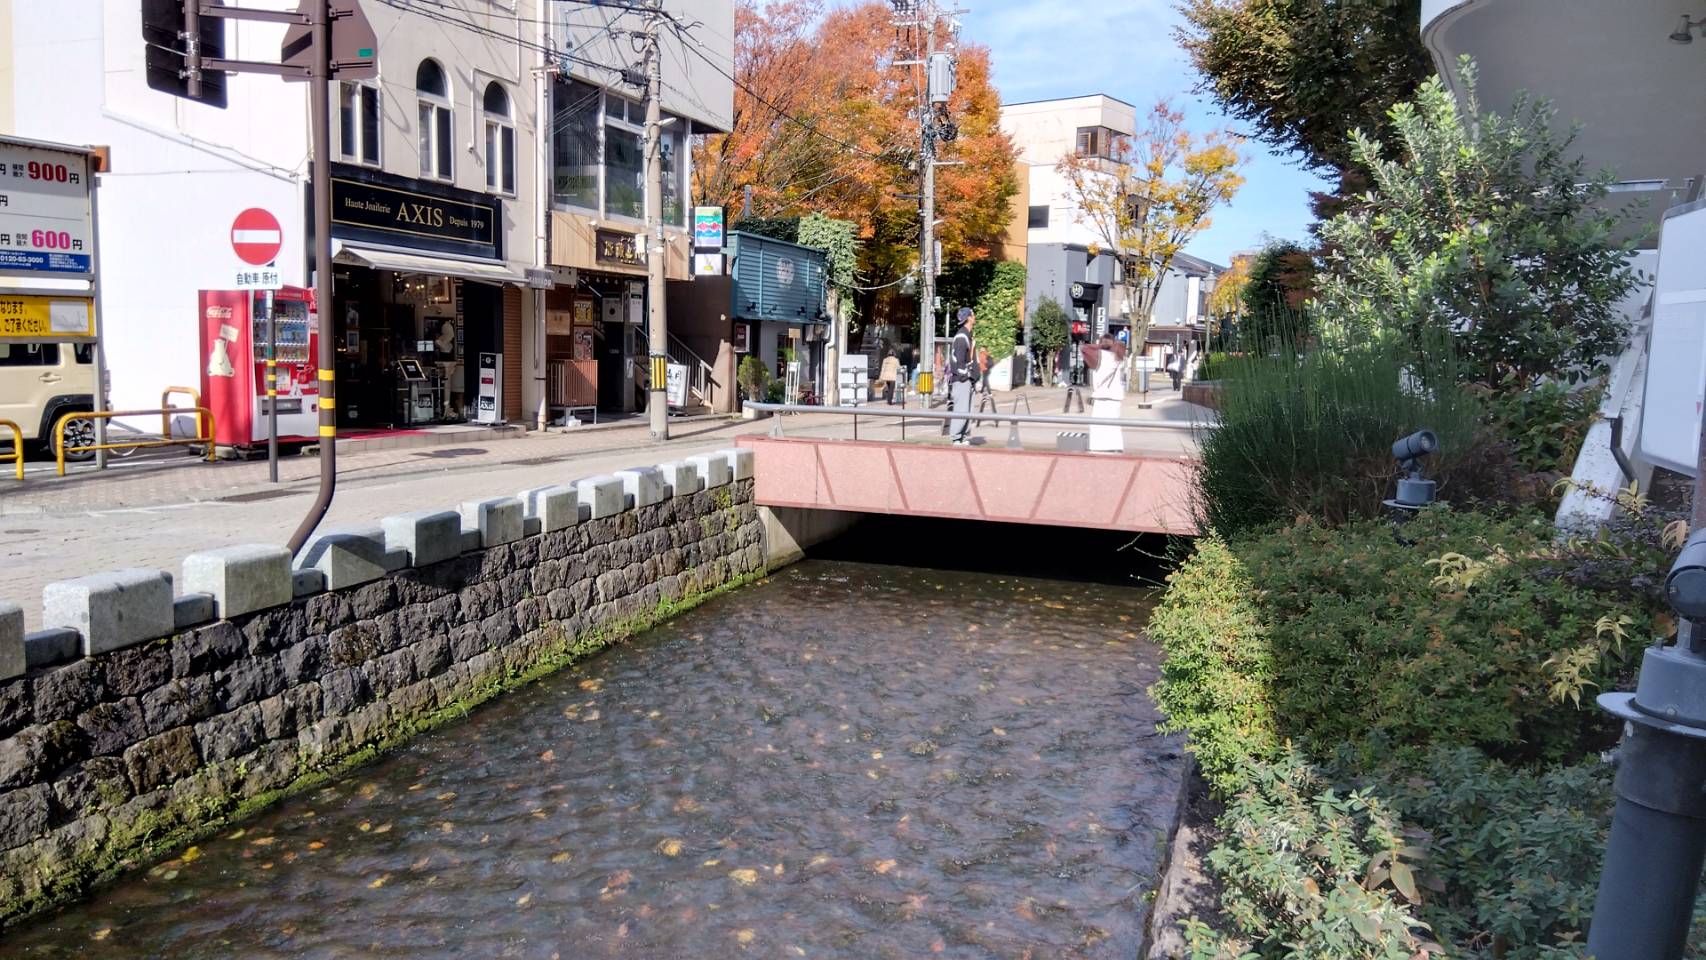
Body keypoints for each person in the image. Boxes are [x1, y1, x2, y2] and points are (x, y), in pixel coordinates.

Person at [1081, 333, 1128, 452]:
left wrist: (1100, 346)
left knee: (1097, 423)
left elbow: (1084, 348)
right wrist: (1110, 345)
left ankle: (1098, 447)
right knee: (1114, 423)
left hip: (1101, 395)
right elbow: (1121, 345)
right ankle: (1116, 447)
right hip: (1116, 396)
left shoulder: (1098, 356)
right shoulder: (1119, 356)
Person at [947, 307, 978, 444]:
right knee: (962, 409)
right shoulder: (962, 337)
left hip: (967, 380)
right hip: (961, 380)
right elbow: (958, 362)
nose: (975, 316)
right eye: (973, 314)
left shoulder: (968, 336)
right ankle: (956, 438)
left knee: (968, 410)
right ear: (969, 318)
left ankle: (964, 436)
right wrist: (966, 376)